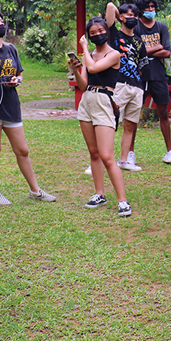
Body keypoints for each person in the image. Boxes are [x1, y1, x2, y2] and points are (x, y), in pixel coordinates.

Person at [0, 11, 56, 206]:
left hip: (10, 103)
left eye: (2, 20)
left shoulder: (11, 49)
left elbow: (19, 73)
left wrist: (18, 80)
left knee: (22, 150)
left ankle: (35, 190)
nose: (2, 24)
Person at [72, 17, 132, 217]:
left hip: (104, 102)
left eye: (100, 31)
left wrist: (84, 48)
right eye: (93, 33)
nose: (97, 35)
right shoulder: (89, 56)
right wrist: (75, 67)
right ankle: (100, 194)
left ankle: (123, 201)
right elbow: (82, 84)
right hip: (87, 101)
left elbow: (95, 68)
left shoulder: (113, 54)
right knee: (94, 153)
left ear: (107, 31)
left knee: (107, 156)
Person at [132, 0, 171, 165]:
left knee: (163, 113)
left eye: (153, 7)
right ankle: (130, 153)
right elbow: (134, 52)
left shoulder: (162, 27)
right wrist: (156, 47)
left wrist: (146, 50)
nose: (151, 10)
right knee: (134, 113)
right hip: (140, 76)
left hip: (158, 75)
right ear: (141, 9)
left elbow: (167, 52)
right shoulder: (135, 27)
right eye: (147, 7)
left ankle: (169, 152)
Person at [105, 1, 148, 172]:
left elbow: (143, 67)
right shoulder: (114, 35)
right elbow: (109, 6)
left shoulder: (139, 42)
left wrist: (140, 88)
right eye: (129, 15)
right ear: (121, 17)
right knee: (109, 122)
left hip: (136, 87)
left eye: (135, 15)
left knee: (130, 125)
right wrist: (120, 15)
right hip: (119, 85)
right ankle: (101, 160)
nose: (133, 18)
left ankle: (124, 161)